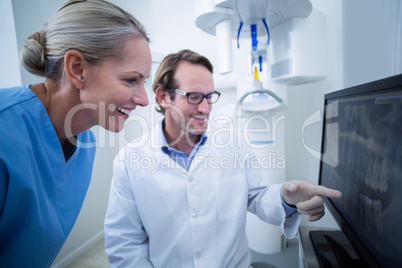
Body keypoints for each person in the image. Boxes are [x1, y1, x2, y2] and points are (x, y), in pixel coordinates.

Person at [104, 49, 342, 267]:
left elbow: (258, 196)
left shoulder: (233, 144)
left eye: (210, 96)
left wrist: (286, 199)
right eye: (195, 97)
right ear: (164, 97)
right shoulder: (130, 160)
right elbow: (124, 243)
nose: (206, 108)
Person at [0, 0, 151, 267]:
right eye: (131, 80)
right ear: (77, 69)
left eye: (143, 82)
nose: (143, 100)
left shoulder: (85, 142)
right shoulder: (5, 132)